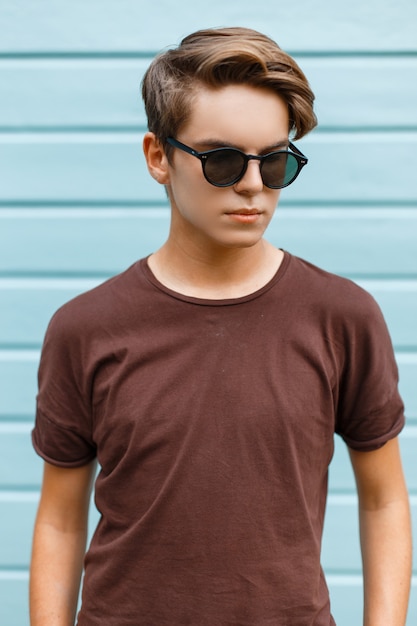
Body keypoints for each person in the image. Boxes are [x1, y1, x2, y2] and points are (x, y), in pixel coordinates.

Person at [30, 27, 412, 626]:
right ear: (159, 157)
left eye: (276, 161)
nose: (254, 186)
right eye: (223, 160)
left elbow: (385, 499)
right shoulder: (85, 329)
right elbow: (58, 516)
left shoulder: (343, 317)